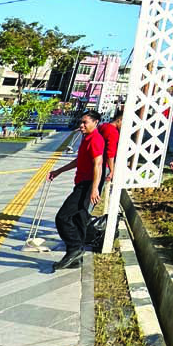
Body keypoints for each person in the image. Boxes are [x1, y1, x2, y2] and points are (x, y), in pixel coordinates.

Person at [48, 110, 104, 270]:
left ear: (95, 123)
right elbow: (78, 161)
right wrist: (59, 171)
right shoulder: (86, 138)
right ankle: (76, 260)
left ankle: (74, 250)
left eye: (85, 122)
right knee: (80, 219)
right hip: (82, 183)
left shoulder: (95, 140)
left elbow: (98, 165)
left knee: (63, 217)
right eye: (81, 122)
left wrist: (94, 189)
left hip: (87, 185)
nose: (81, 125)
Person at [97, 108, 123, 192]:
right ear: (119, 120)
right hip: (105, 165)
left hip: (96, 161)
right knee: (97, 191)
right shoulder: (113, 132)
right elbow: (110, 153)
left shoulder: (103, 126)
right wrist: (112, 170)